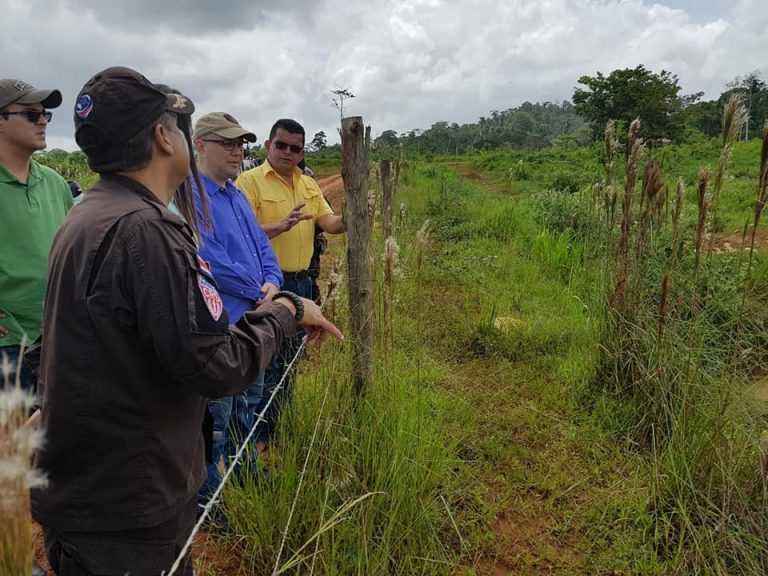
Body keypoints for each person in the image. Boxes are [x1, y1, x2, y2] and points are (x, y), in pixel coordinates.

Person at [29, 67, 342, 576]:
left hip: (89, 484)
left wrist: (51, 404)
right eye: (181, 127)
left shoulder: (88, 213)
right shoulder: (148, 230)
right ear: (163, 138)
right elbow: (213, 365)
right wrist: (287, 310)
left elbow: (61, 335)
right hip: (128, 502)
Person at [235, 118, 345, 448]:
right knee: (262, 364)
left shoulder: (308, 184)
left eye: (295, 148)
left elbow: (331, 223)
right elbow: (240, 236)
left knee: (290, 362)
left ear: (301, 153)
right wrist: (280, 226)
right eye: (281, 145)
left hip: (302, 286)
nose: (287, 152)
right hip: (267, 288)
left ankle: (273, 430)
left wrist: (356, 207)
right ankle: (252, 443)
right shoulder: (248, 183)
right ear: (267, 146)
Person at [191, 112, 282, 503]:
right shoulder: (190, 195)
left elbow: (262, 246)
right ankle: (208, 495)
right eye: (227, 143)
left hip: (255, 316)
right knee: (216, 416)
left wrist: (273, 282)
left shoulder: (236, 194)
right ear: (199, 145)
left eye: (240, 143)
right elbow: (207, 256)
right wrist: (259, 290)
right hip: (223, 323)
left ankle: (245, 470)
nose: (237, 151)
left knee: (249, 403)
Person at [0, 78, 71, 390]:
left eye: (45, 114)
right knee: (13, 440)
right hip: (8, 346)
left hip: (56, 342)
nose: (42, 120)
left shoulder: (56, 183)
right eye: (31, 114)